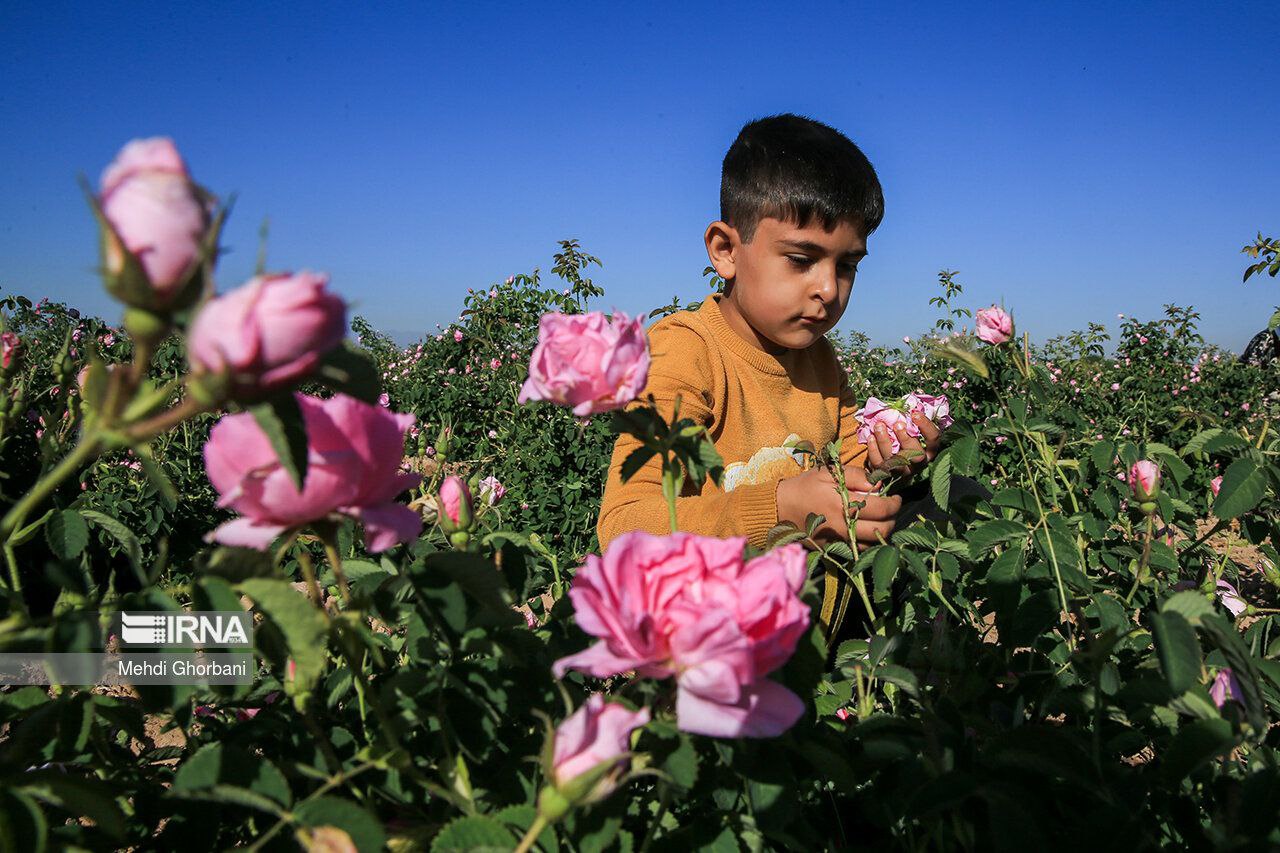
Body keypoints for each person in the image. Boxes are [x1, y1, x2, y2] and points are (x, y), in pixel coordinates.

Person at [597, 113, 944, 640]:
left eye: (847, 265)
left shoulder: (821, 361)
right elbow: (623, 529)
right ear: (726, 251)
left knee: (951, 496)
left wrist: (888, 462)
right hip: (716, 641)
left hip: (815, 633)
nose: (828, 288)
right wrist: (780, 507)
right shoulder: (686, 352)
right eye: (802, 259)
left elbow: (850, 481)